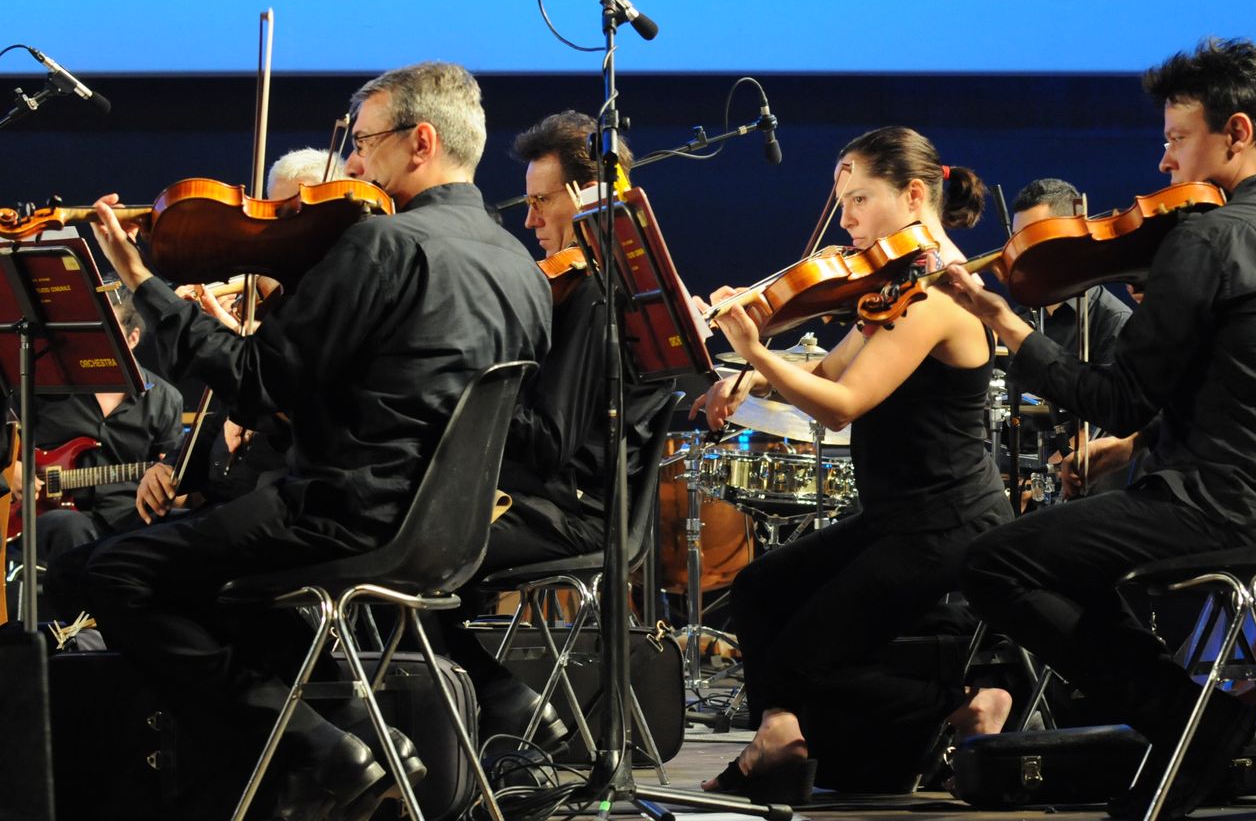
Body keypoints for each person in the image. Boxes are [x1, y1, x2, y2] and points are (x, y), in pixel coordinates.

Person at [51, 61, 552, 821]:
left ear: (420, 142)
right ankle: (353, 738)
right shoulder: (522, 267)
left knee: (112, 571)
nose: (351, 162)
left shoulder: (385, 246)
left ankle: (313, 750)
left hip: (345, 516)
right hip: (449, 533)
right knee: (222, 587)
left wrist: (143, 283)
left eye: (364, 142)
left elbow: (256, 381)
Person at [943, 38, 1256, 816]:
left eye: (1176, 138)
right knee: (1071, 552)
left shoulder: (1209, 237)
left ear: (1235, 133)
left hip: (1210, 507)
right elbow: (1250, 386)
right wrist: (1131, 452)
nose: (1164, 161)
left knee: (993, 565)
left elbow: (1117, 397)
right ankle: (1187, 727)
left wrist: (1006, 325)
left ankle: (1187, 720)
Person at [693, 125, 1011, 800]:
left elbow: (841, 406)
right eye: (843, 204)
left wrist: (755, 351)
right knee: (759, 589)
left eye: (860, 199)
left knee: (803, 656)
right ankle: (778, 733)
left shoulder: (939, 295)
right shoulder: (899, 286)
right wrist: (750, 378)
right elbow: (829, 370)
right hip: (897, 518)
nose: (846, 221)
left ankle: (968, 701)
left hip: (947, 524)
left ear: (914, 195)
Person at [431, 108, 670, 744]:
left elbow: (547, 443)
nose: (530, 220)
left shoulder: (596, 293)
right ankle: (482, 720)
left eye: (541, 202)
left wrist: (466, 383)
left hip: (575, 510)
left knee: (411, 553)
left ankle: (507, 707)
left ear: (591, 197)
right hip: (559, 498)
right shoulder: (586, 287)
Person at [134, 147, 344, 521]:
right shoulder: (270, 298)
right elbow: (219, 414)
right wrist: (170, 468)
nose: (278, 234)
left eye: (294, 216)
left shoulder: (336, 310)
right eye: (274, 214)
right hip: (223, 507)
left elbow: (294, 403)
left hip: (278, 510)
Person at [4, 294, 184, 620]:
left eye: (103, 331)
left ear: (132, 337)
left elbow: (174, 469)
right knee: (72, 528)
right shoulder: (50, 385)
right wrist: (10, 468)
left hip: (129, 517)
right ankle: (82, 631)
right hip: (48, 517)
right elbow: (5, 434)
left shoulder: (165, 399)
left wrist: (172, 483)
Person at [1002, 177, 1134, 496]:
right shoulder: (1017, 320)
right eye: (1018, 239)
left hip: (1076, 486)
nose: (1021, 253)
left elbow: (1105, 425)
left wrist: (1041, 479)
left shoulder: (1113, 320)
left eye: (1034, 238)